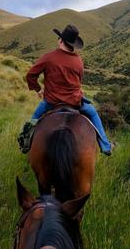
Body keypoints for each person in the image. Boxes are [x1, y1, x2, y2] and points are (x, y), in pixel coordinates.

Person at [18, 24, 112, 155]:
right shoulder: (78, 60)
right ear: (72, 44)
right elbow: (79, 81)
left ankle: (25, 144)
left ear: (61, 40)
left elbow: (30, 75)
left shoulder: (48, 57)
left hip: (52, 102)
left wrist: (38, 89)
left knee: (34, 118)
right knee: (93, 114)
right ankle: (106, 146)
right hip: (75, 101)